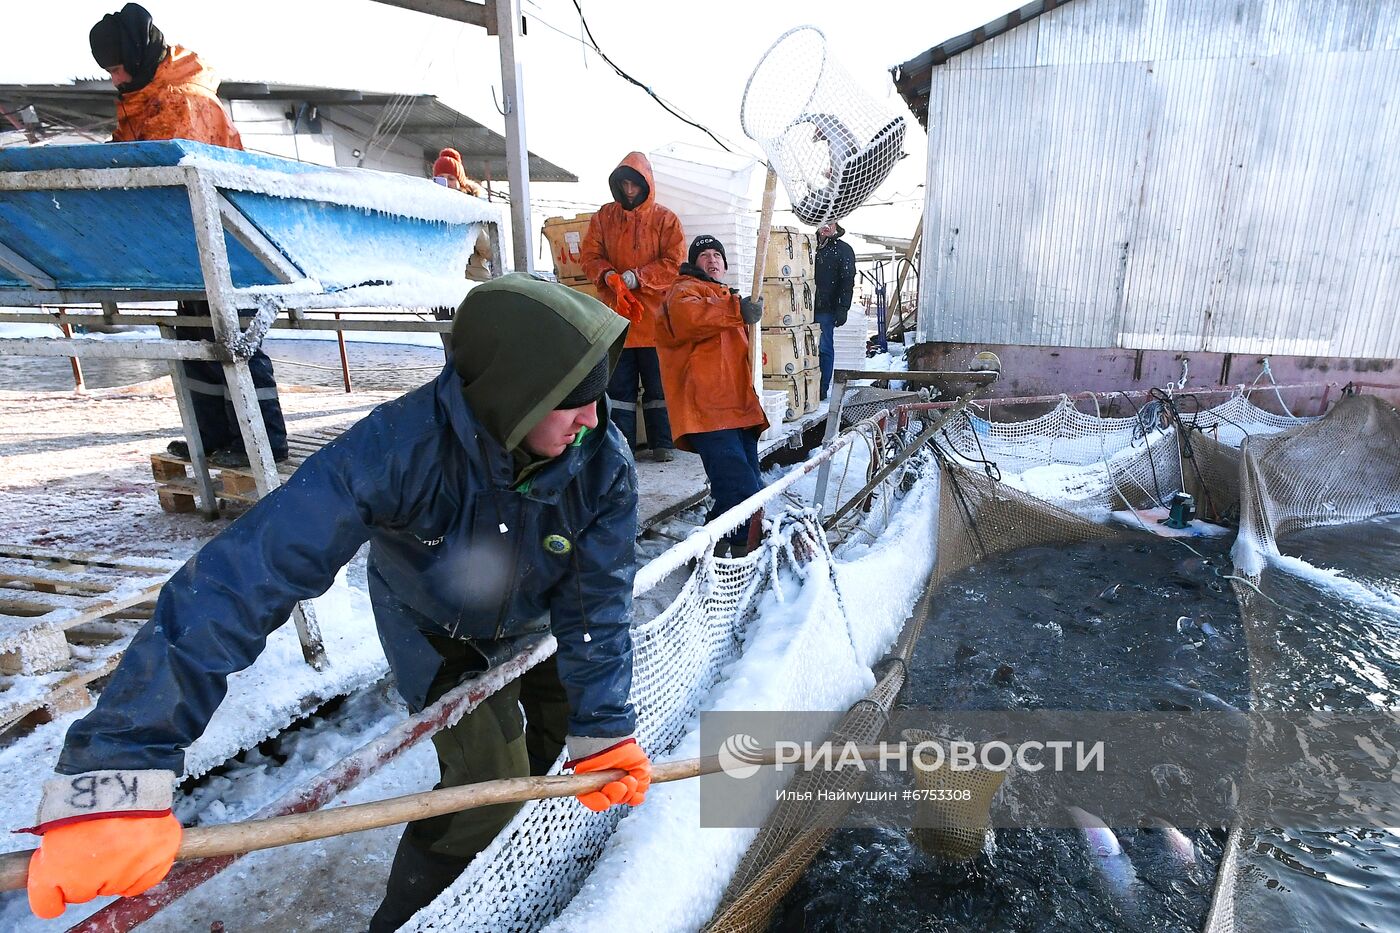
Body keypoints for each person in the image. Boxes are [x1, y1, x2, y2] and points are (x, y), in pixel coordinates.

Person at [19, 275, 652, 926]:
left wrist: (602, 724)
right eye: (571, 401)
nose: (594, 418)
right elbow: (242, 578)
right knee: (485, 788)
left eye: (596, 397)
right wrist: (118, 772)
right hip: (433, 628)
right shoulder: (398, 450)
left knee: (560, 751)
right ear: (514, 395)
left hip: (540, 619)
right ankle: (415, 919)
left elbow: (598, 600)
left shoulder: (601, 462)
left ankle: (526, 862)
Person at [89, 3, 287, 468]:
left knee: (235, 342)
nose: (115, 79)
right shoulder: (145, 95)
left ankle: (263, 441)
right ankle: (214, 437)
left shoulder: (182, 101)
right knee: (196, 341)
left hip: (229, 242)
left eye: (117, 68)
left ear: (135, 58)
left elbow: (172, 172)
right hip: (190, 246)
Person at [656, 235, 768, 556]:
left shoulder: (726, 299)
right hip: (709, 410)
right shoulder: (684, 291)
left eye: (717, 254)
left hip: (737, 408)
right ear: (694, 263)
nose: (712, 259)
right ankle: (744, 554)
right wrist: (736, 309)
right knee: (743, 488)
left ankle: (711, 543)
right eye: (704, 255)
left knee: (740, 486)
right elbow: (689, 318)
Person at [580, 152, 685, 462]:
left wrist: (637, 277)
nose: (628, 190)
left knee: (659, 389)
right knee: (619, 390)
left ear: (645, 184)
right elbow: (589, 256)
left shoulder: (665, 219)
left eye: (634, 184)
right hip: (616, 321)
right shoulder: (603, 217)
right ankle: (620, 447)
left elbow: (674, 262)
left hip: (656, 321)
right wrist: (608, 275)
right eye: (623, 184)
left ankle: (663, 443)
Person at [814, 220, 856, 401]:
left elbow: (847, 281)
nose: (826, 226)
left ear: (836, 224)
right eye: (823, 222)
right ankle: (805, 388)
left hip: (826, 308)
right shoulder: (808, 245)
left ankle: (821, 389)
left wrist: (842, 308)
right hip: (801, 308)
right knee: (803, 348)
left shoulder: (843, 249)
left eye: (830, 222)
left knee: (823, 347)